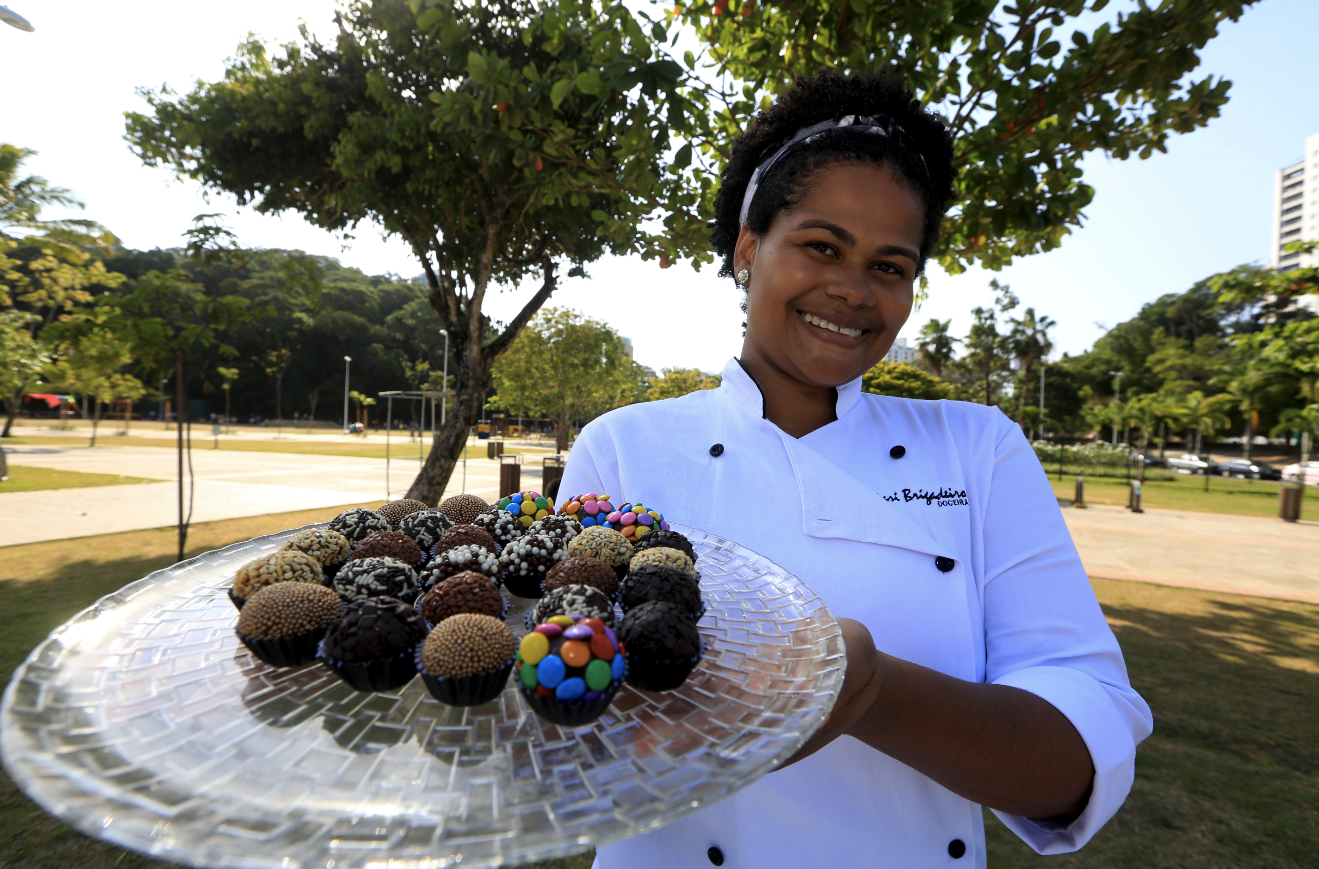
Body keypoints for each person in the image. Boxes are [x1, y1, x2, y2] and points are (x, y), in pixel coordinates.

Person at [559, 71, 1152, 869]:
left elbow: (1075, 751)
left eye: (889, 266)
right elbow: (565, 706)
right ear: (747, 247)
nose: (851, 288)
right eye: (821, 245)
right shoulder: (623, 446)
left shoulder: (978, 447)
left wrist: (868, 687)